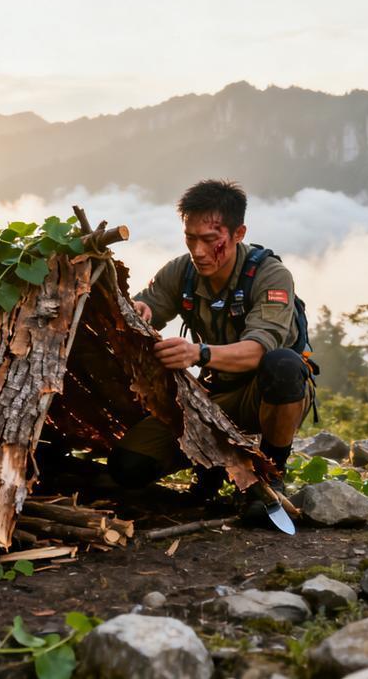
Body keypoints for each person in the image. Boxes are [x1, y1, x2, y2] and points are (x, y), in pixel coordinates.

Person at [108, 179, 312, 499]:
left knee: (283, 364)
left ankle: (271, 475)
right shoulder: (181, 271)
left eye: (210, 239)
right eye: (190, 238)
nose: (199, 251)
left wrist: (197, 353)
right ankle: (210, 468)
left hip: (261, 393)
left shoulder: (270, 275)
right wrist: (140, 309)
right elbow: (150, 304)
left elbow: (259, 350)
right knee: (128, 467)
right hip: (211, 397)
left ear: (238, 234)